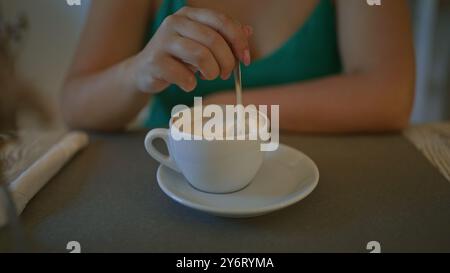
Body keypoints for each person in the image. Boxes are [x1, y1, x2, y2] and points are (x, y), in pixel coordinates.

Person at [61, 0, 415, 132]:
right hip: (169, 188)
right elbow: (75, 105)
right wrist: (138, 72)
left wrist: (229, 110)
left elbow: (390, 93)